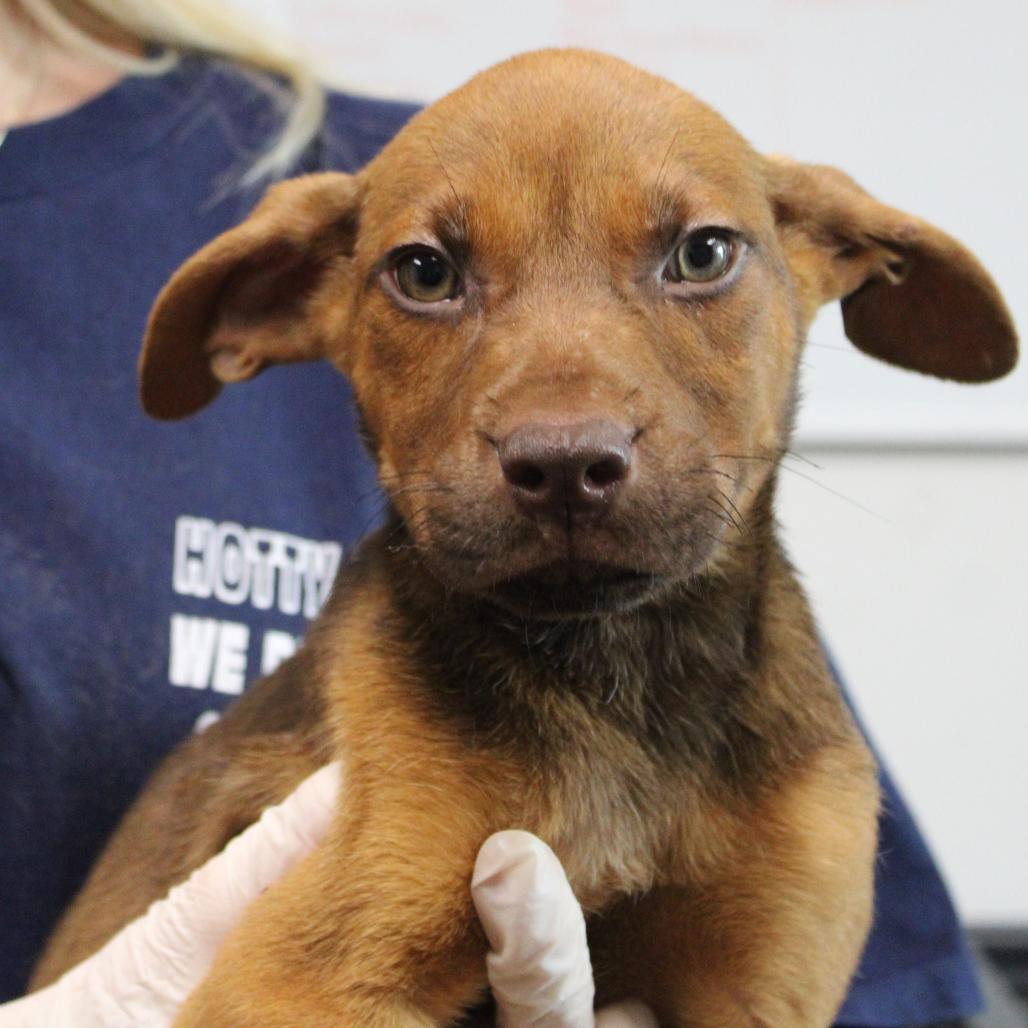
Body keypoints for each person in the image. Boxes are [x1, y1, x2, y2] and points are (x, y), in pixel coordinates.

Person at [0, 1, 985, 1023]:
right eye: (428, 276)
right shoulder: (354, 216)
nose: (564, 430)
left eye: (697, 258)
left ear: (819, 254)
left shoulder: (791, 768)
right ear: (286, 293)